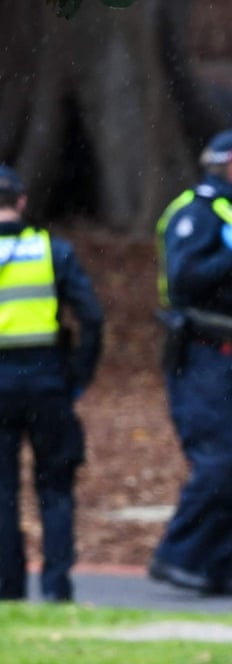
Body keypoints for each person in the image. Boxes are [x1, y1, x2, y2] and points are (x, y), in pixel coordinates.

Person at [148, 128, 232, 597]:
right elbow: (186, 280)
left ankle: (218, 566)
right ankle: (175, 556)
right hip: (201, 351)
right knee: (217, 460)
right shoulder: (196, 212)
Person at [0, 165, 104, 603]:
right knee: (55, 489)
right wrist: (77, 377)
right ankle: (57, 589)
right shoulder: (52, 251)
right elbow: (92, 319)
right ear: (21, 201)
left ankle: (8, 591)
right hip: (47, 383)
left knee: (2, 493)